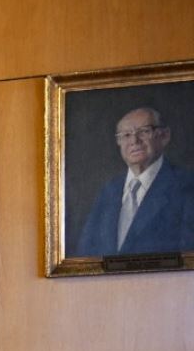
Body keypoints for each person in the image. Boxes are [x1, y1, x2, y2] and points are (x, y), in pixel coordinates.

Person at [74, 106, 194, 257]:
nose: (134, 141)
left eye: (144, 131)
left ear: (164, 136)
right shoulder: (108, 191)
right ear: (118, 142)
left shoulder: (187, 186)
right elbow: (85, 254)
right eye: (126, 135)